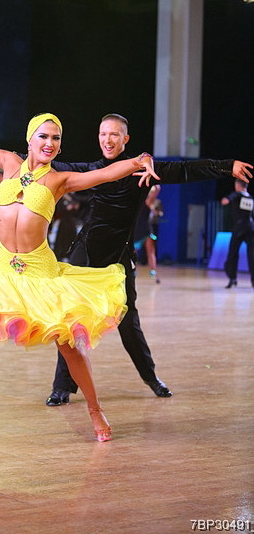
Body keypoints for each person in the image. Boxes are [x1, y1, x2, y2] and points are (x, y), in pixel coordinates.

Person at [0, 112, 159, 447]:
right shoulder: (9, 163)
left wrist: (139, 161)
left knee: (69, 347)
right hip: (3, 276)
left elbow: (104, 174)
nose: (50, 143)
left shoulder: (58, 180)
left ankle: (95, 410)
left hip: (41, 276)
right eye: (43, 136)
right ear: (29, 140)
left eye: (56, 138)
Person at [43, 113, 253, 405]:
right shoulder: (92, 170)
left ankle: (151, 377)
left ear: (125, 139)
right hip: (86, 255)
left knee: (129, 322)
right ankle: (61, 387)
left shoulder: (142, 170)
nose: (107, 140)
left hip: (119, 257)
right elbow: (50, 165)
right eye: (103, 134)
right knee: (71, 322)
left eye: (114, 134)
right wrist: (10, 159)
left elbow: (184, 170)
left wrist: (227, 167)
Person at [221, 179, 254, 288]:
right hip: (250, 228)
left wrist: (226, 199)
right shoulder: (251, 198)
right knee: (252, 255)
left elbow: (225, 201)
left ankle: (232, 278)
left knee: (233, 254)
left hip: (239, 229)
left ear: (238, 185)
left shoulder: (236, 195)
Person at [134, 185, 162, 283]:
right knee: (148, 253)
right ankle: (152, 273)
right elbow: (157, 189)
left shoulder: (146, 202)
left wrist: (154, 184)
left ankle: (153, 273)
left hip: (144, 231)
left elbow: (157, 189)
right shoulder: (144, 202)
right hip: (139, 231)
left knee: (149, 252)